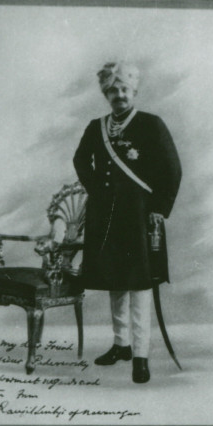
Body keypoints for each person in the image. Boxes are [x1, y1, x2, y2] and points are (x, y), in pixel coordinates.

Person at [72, 61, 182, 384]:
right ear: (106, 94)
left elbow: (172, 169)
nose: (119, 95)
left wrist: (159, 207)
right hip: (105, 218)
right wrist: (97, 190)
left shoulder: (151, 124)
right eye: (113, 90)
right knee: (115, 280)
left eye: (124, 89)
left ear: (133, 91)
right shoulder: (97, 127)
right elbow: (80, 160)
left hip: (139, 217)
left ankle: (141, 356)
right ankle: (121, 346)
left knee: (139, 285)